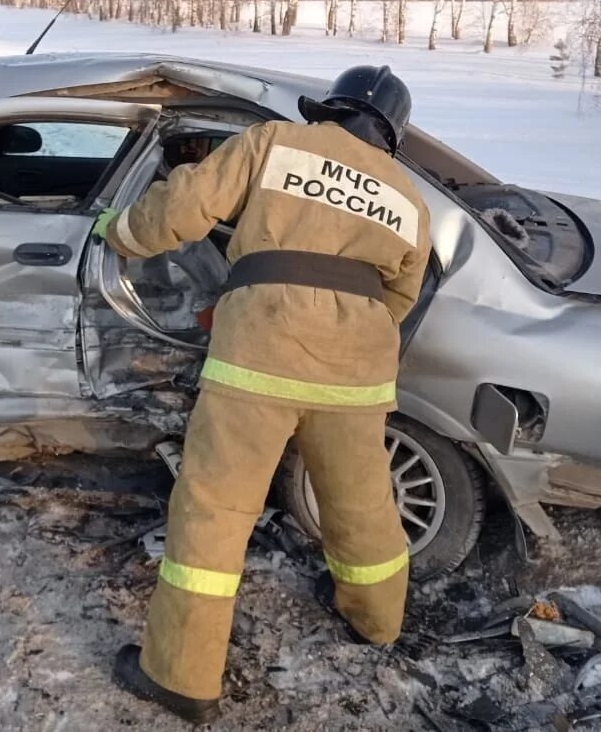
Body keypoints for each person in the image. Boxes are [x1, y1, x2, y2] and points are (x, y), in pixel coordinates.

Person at [95, 66, 432, 724]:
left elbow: (182, 211)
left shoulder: (277, 141)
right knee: (362, 503)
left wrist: (119, 230)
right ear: (390, 132)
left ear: (329, 110)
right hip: (357, 370)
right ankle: (378, 623)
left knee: (215, 508)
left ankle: (181, 675)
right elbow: (400, 298)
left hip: (260, 356)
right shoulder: (408, 197)